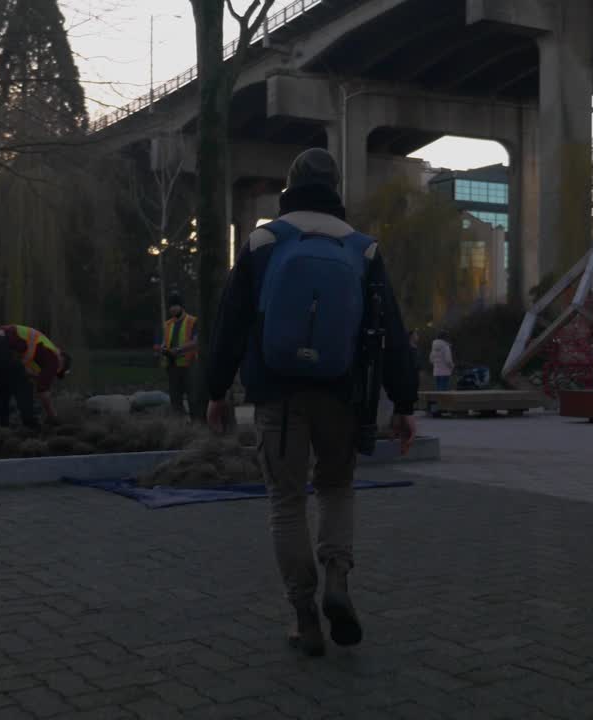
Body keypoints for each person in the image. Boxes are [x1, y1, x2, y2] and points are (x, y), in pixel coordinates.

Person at [205, 147, 419, 658]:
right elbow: (389, 331)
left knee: (286, 502)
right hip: (343, 394)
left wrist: (215, 390)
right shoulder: (363, 249)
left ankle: (304, 616)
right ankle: (338, 580)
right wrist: (404, 402)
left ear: (290, 185)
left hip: (277, 394)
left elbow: (229, 324)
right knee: (337, 488)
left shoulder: (262, 241)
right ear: (336, 188)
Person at [0, 324, 72, 429]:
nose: (54, 374)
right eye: (57, 373)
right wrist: (52, 415)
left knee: (3, 388)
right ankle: (31, 424)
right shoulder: (54, 359)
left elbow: (20, 369)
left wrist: (34, 377)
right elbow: (43, 391)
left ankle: (1, 426)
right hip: (1, 343)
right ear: (62, 364)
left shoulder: (43, 350)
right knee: (25, 387)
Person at [153, 293, 199, 417]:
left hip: (189, 365)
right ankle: (180, 426)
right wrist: (162, 349)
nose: (172, 309)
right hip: (171, 365)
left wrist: (178, 349)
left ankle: (197, 423)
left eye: (175, 306)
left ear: (181, 306)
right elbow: (158, 343)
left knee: (193, 397)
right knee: (175, 399)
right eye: (171, 306)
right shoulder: (167, 324)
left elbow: (196, 341)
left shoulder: (192, 321)